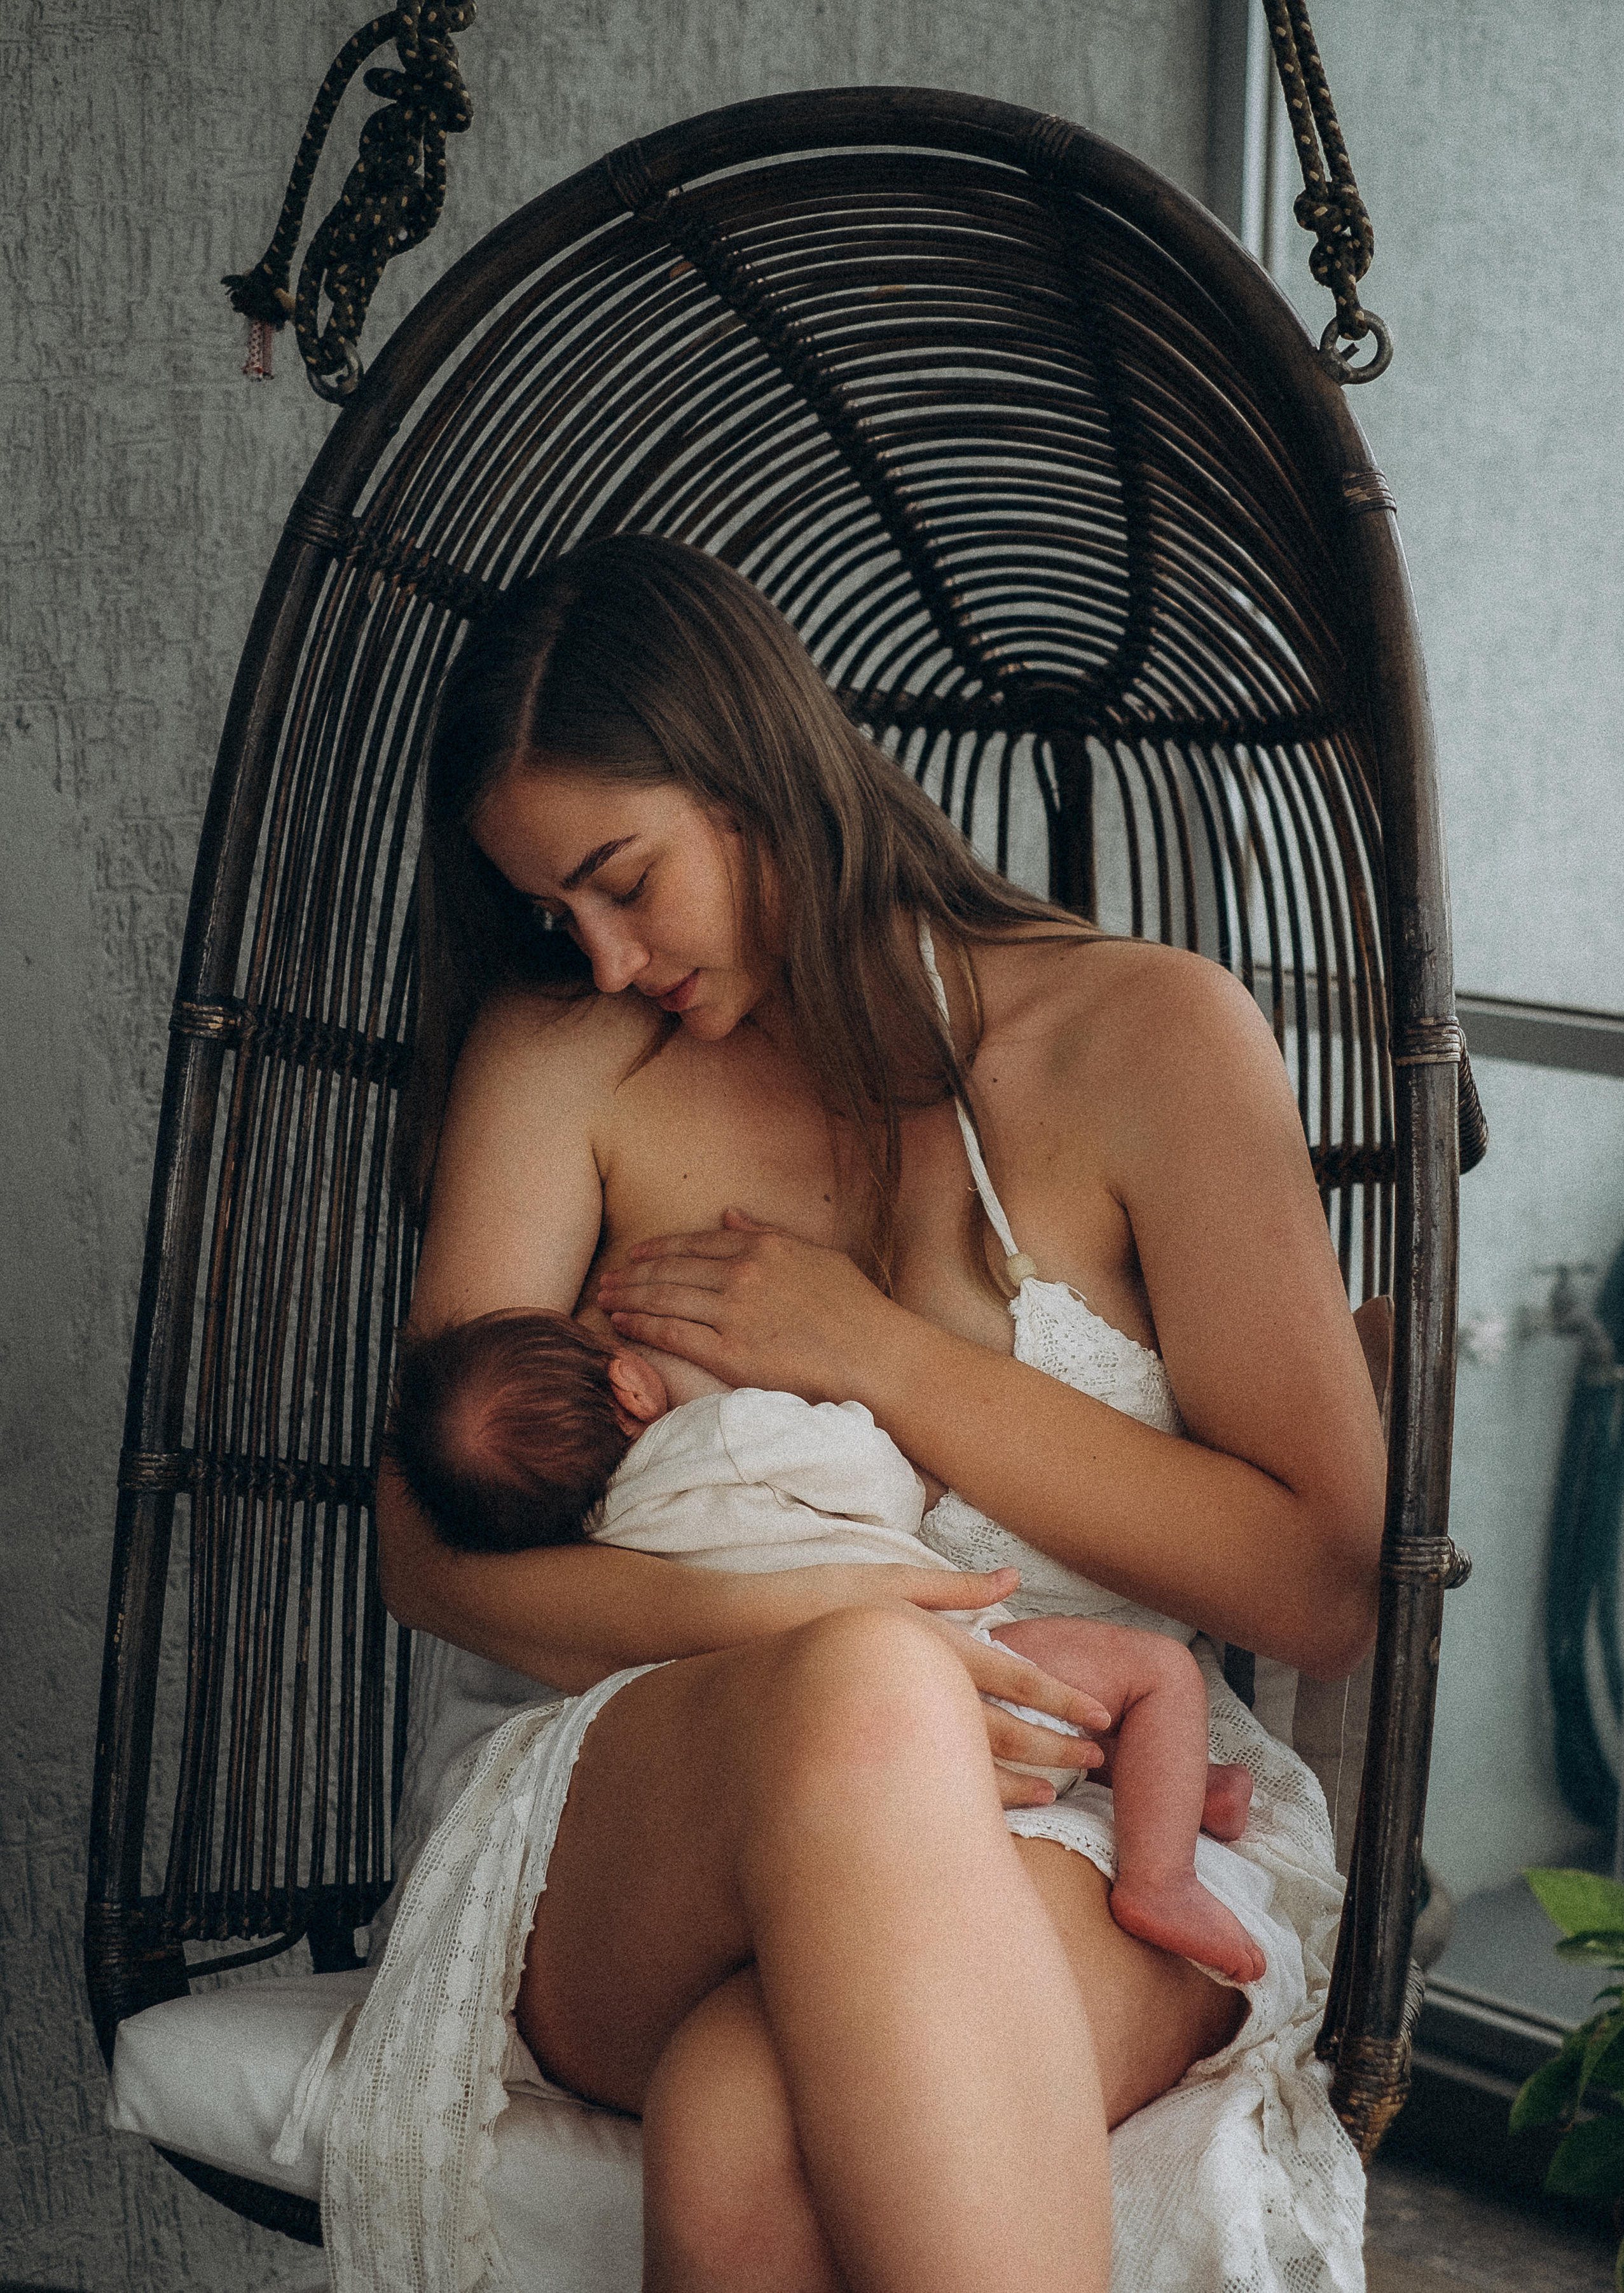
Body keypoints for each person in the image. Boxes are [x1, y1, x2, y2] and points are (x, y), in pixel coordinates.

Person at [341, 532, 1385, 2293]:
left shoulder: (1151, 1037)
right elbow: (433, 1558)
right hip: (646, 1801)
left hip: (1092, 1804)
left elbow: (1325, 1588)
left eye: (621, 878)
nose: (595, 958)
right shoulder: (564, 1070)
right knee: (864, 1685)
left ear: (758, 771)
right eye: (549, 913)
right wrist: (806, 1620)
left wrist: (881, 1356)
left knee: (751, 2120)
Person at [383, 1304, 1266, 1981]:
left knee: (1074, 1712)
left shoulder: (600, 1563)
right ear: (632, 1386)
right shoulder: (719, 1434)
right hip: (961, 1661)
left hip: (849, 1763)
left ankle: (1193, 1787)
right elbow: (865, 1472)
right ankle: (1161, 1876)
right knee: (1155, 1672)